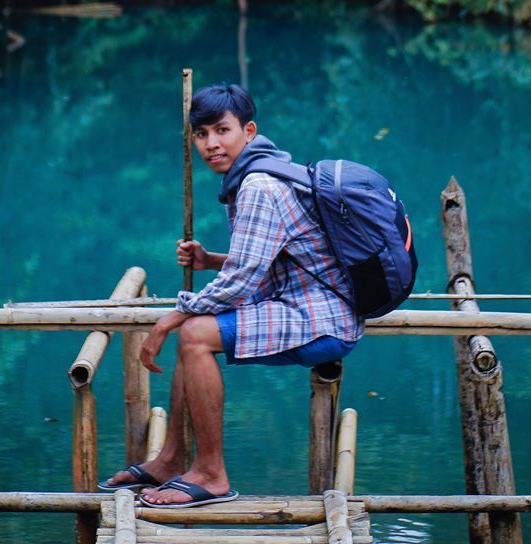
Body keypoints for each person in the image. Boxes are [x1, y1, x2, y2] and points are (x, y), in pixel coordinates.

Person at [99, 82, 364, 508]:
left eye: (222, 130)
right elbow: (266, 262)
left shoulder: (258, 185)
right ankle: (169, 459)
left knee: (194, 334)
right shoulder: (256, 173)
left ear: (249, 129)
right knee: (196, 330)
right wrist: (210, 260)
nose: (211, 144)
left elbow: (242, 282)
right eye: (201, 134)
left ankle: (210, 474)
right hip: (307, 305)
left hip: (322, 319)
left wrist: (171, 317)